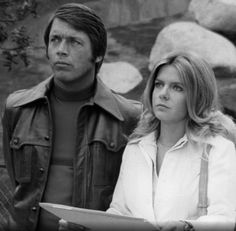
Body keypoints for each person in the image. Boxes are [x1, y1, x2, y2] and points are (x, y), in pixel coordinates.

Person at [1, 3, 141, 231]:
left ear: (97, 55)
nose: (61, 50)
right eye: (55, 40)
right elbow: (15, 179)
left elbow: (134, 200)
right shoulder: (17, 107)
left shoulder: (128, 117)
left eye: (74, 42)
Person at [107, 52, 236, 230]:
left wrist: (187, 226)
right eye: (159, 85)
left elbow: (226, 218)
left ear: (198, 95)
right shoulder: (135, 147)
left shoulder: (218, 149)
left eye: (177, 88)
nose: (163, 94)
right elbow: (120, 211)